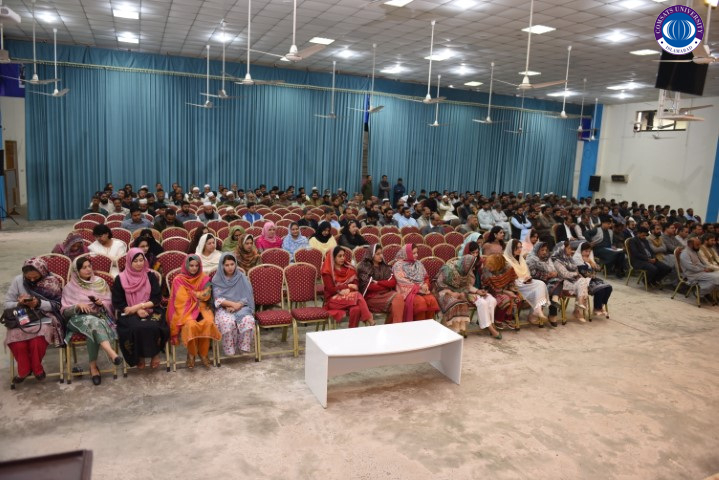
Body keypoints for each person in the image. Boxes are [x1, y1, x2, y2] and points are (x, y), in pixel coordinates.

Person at [61, 256, 123, 385]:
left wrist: (101, 304)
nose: (88, 269)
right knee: (94, 323)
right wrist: (77, 306)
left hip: (97, 317)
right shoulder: (69, 287)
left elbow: (110, 303)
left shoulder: (100, 283)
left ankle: (93, 367)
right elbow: (65, 312)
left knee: (94, 327)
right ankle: (112, 354)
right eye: (84, 268)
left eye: (89, 266)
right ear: (76, 271)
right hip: (76, 320)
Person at [4, 258, 65, 383]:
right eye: (28, 277)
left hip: (44, 316)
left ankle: (37, 369)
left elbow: (58, 305)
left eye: (35, 277)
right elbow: (7, 304)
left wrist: (38, 303)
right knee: (16, 340)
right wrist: (19, 303)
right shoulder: (18, 281)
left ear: (42, 272)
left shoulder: (52, 282)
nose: (32, 280)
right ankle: (24, 370)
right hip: (22, 316)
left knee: (37, 340)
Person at [111, 249, 169, 369]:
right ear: (129, 262)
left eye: (141, 260)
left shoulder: (150, 275)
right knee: (135, 327)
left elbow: (156, 298)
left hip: (151, 309)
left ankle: (155, 354)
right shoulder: (120, 278)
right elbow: (118, 302)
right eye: (135, 261)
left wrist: (139, 306)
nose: (139, 263)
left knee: (153, 325)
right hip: (129, 312)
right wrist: (135, 310)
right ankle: (139, 356)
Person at [167, 254, 222, 369]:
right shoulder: (178, 280)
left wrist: (192, 293)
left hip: (203, 307)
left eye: (197, 265)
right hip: (185, 310)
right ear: (186, 265)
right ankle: (191, 354)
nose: (194, 268)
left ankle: (203, 353)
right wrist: (198, 295)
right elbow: (181, 299)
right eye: (191, 265)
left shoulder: (204, 278)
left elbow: (207, 295)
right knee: (191, 325)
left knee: (208, 322)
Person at [434, 255, 499, 338]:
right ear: (467, 264)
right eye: (473, 267)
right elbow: (439, 284)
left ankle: (460, 329)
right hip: (443, 292)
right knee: (454, 303)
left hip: (458, 293)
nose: (473, 269)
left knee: (463, 301)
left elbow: (466, 287)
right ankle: (451, 330)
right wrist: (451, 293)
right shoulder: (448, 269)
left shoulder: (465, 271)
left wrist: (476, 291)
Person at [211, 253, 256, 355]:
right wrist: (232, 305)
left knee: (248, 320)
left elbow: (247, 295)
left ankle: (243, 347)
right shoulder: (217, 279)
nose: (230, 267)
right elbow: (217, 299)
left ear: (235, 264)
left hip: (242, 307)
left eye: (232, 264)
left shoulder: (241, 277)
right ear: (222, 265)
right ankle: (229, 349)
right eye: (226, 265)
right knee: (227, 322)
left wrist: (238, 305)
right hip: (223, 307)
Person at [321, 246, 374, 328]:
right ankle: (369, 318)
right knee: (357, 295)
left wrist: (348, 289)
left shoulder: (349, 268)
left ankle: (352, 331)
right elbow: (331, 290)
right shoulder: (327, 271)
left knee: (356, 309)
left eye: (343, 255)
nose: (343, 258)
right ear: (333, 258)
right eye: (339, 256)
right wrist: (347, 285)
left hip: (349, 297)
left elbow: (356, 285)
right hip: (332, 300)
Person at [356, 245, 405, 324]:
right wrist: (385, 285)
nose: (381, 256)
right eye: (378, 254)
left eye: (381, 253)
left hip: (386, 295)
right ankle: (397, 327)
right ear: (371, 254)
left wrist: (379, 283)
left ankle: (390, 328)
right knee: (398, 298)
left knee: (396, 306)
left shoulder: (385, 267)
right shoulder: (364, 267)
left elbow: (393, 283)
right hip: (371, 298)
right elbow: (369, 287)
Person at [504, 240, 549, 324]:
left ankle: (537, 311)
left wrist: (528, 278)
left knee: (541, 284)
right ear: (511, 248)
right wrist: (523, 280)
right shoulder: (506, 260)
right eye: (517, 248)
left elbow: (526, 272)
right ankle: (536, 312)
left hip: (524, 283)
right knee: (537, 288)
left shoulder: (520, 259)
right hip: (514, 285)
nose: (519, 249)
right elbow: (509, 278)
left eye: (520, 247)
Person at [392, 244, 440, 321]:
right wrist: (419, 287)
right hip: (408, 291)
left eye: (417, 252)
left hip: (422, 290)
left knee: (432, 300)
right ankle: (418, 326)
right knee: (420, 302)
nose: (416, 255)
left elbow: (426, 277)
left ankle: (429, 325)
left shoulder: (418, 263)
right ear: (407, 253)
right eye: (413, 253)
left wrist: (426, 284)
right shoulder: (398, 265)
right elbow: (402, 281)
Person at [550, 241, 591, 322]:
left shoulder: (570, 259)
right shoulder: (557, 261)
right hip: (562, 283)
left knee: (583, 281)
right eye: (569, 248)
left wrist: (577, 275)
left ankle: (579, 306)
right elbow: (565, 274)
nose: (571, 250)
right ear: (562, 249)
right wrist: (576, 274)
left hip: (572, 282)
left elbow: (576, 271)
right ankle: (577, 311)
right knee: (582, 284)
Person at [525, 242, 562, 327]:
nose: (545, 252)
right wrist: (547, 275)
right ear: (537, 250)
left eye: (546, 250)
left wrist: (554, 273)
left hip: (546, 281)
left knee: (558, 281)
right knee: (546, 287)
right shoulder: (531, 259)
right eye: (542, 250)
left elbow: (552, 269)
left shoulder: (547, 258)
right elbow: (532, 274)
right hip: (534, 282)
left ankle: (553, 301)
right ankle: (550, 312)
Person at [480, 254, 521, 330]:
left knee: (517, 299)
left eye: (492, 266)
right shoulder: (486, 269)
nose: (489, 268)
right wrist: (506, 292)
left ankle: (508, 319)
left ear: (498, 265)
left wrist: (511, 292)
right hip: (491, 290)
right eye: (489, 266)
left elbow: (512, 281)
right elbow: (489, 286)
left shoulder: (508, 268)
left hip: (507, 288)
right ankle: (498, 320)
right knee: (504, 299)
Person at [573, 242, 613, 318]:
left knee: (608, 288)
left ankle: (600, 307)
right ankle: (596, 309)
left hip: (592, 279)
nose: (588, 253)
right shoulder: (577, 258)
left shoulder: (589, 258)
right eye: (586, 251)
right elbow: (583, 273)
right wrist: (590, 269)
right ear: (581, 250)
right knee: (600, 289)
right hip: (582, 281)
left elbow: (598, 269)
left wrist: (591, 262)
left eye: (589, 251)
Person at [680, 237, 719, 304]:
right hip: (692, 274)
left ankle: (705, 292)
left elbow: (703, 262)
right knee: (717, 278)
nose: (699, 246)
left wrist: (708, 268)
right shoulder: (685, 253)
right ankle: (700, 293)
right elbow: (690, 267)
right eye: (697, 245)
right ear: (690, 244)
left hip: (702, 272)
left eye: (699, 244)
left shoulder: (696, 251)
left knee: (717, 276)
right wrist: (703, 269)